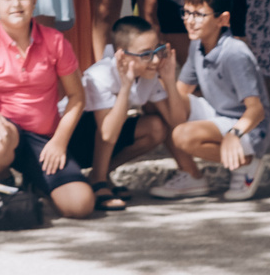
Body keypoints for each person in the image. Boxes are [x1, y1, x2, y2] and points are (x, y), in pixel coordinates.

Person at [0, 0, 94, 220]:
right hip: (6, 135)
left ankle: (35, 182)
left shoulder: (55, 41)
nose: (16, 4)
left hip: (45, 141)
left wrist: (59, 141)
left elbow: (77, 98)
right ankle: (3, 177)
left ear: (34, 0)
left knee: (81, 205)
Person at [164, 0, 270, 201]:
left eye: (199, 15)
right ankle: (191, 175)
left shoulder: (235, 53)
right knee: (158, 100)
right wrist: (164, 79)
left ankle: (247, 163)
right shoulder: (197, 44)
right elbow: (180, 94)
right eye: (186, 12)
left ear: (222, 19)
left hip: (248, 128)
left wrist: (234, 135)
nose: (190, 21)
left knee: (183, 136)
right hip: (218, 115)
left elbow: (256, 110)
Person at [77, 14, 192, 210]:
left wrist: (170, 80)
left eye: (157, 50)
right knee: (111, 120)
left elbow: (176, 122)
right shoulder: (100, 76)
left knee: (156, 127)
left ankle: (100, 174)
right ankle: (98, 181)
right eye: (146, 54)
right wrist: (125, 87)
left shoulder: (147, 74)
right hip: (75, 139)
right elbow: (107, 133)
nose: (155, 60)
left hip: (104, 136)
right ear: (122, 55)